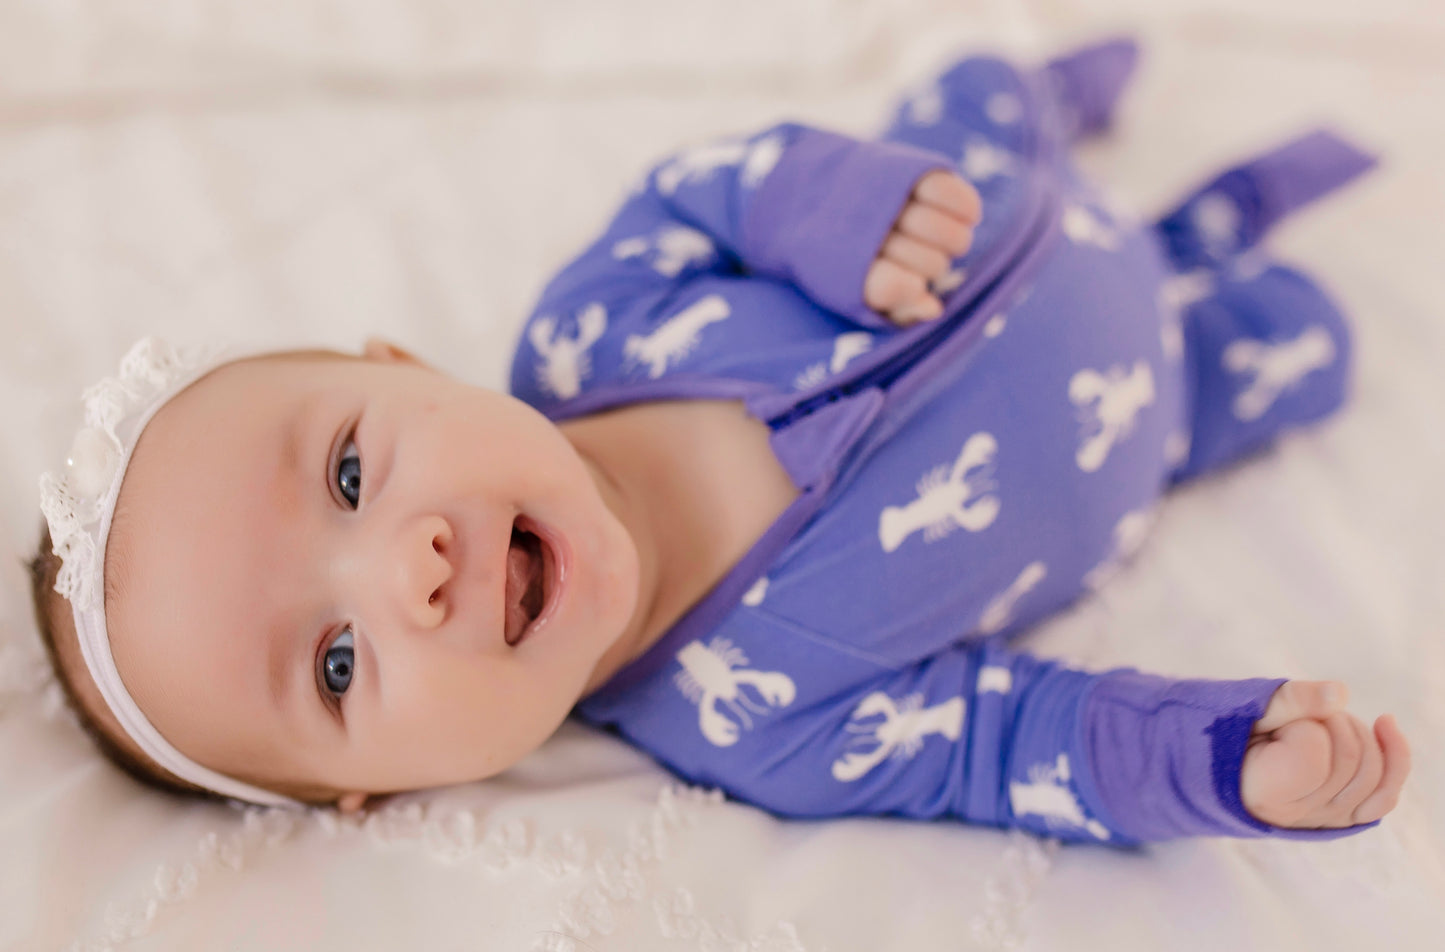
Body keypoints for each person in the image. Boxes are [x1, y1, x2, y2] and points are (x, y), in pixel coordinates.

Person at [29, 38, 1410, 846]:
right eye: (336, 664)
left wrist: (830, 208)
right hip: (1152, 423)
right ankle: (1208, 269)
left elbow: (699, 194)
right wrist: (1220, 765)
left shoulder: (591, 331)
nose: (417, 569)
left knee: (978, 88)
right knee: (1316, 347)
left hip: (974, 203)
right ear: (373, 791)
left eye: (345, 473)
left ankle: (1047, 107)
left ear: (407, 367)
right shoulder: (763, 728)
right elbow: (1011, 748)